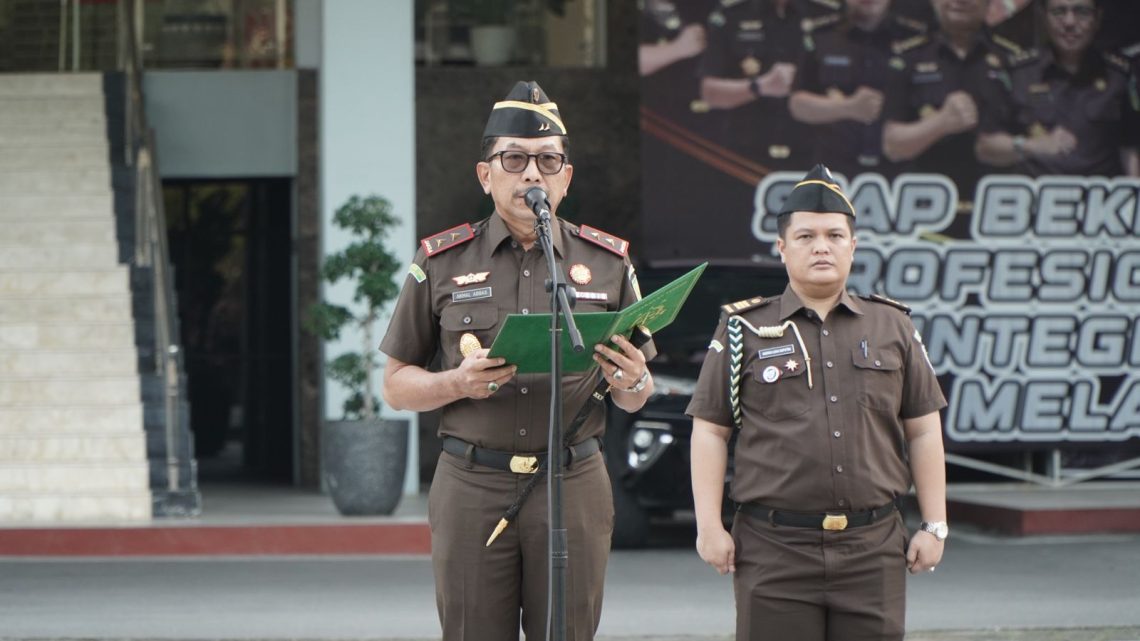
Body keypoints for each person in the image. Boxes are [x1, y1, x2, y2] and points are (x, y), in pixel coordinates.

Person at [379, 80, 656, 641]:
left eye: (549, 161)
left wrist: (633, 379)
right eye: (515, 159)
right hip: (472, 484)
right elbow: (396, 386)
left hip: (573, 480)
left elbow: (635, 392)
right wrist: (456, 383)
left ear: (567, 178)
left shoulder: (608, 262)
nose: (533, 174)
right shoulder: (441, 261)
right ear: (486, 175)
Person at [686, 164, 948, 641]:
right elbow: (710, 429)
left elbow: (924, 429)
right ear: (782, 248)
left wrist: (935, 525)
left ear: (854, 245)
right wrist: (709, 525)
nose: (821, 246)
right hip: (773, 548)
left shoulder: (893, 327)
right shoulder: (743, 328)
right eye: (805, 236)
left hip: (873, 548)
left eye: (834, 235)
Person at [881, 0, 1022, 215]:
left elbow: (1030, 141)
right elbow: (892, 145)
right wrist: (941, 123)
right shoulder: (908, 56)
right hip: (924, 210)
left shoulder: (1013, 59)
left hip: (997, 210)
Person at [975, 0, 1140, 177]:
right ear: (1044, 16)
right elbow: (985, 147)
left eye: (1082, 12)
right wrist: (1030, 146)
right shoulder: (1017, 73)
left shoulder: (1120, 75)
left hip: (1099, 199)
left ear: (1097, 18)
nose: (1069, 22)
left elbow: (1130, 147)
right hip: (1037, 198)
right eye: (1059, 12)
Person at [788, 0, 927, 179]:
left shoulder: (916, 39)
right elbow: (797, 104)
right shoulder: (821, 35)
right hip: (832, 168)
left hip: (901, 170)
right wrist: (848, 107)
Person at [697, 0, 841, 170]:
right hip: (742, 157)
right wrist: (760, 86)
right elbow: (709, 92)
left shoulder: (829, 16)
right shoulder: (731, 14)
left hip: (814, 157)